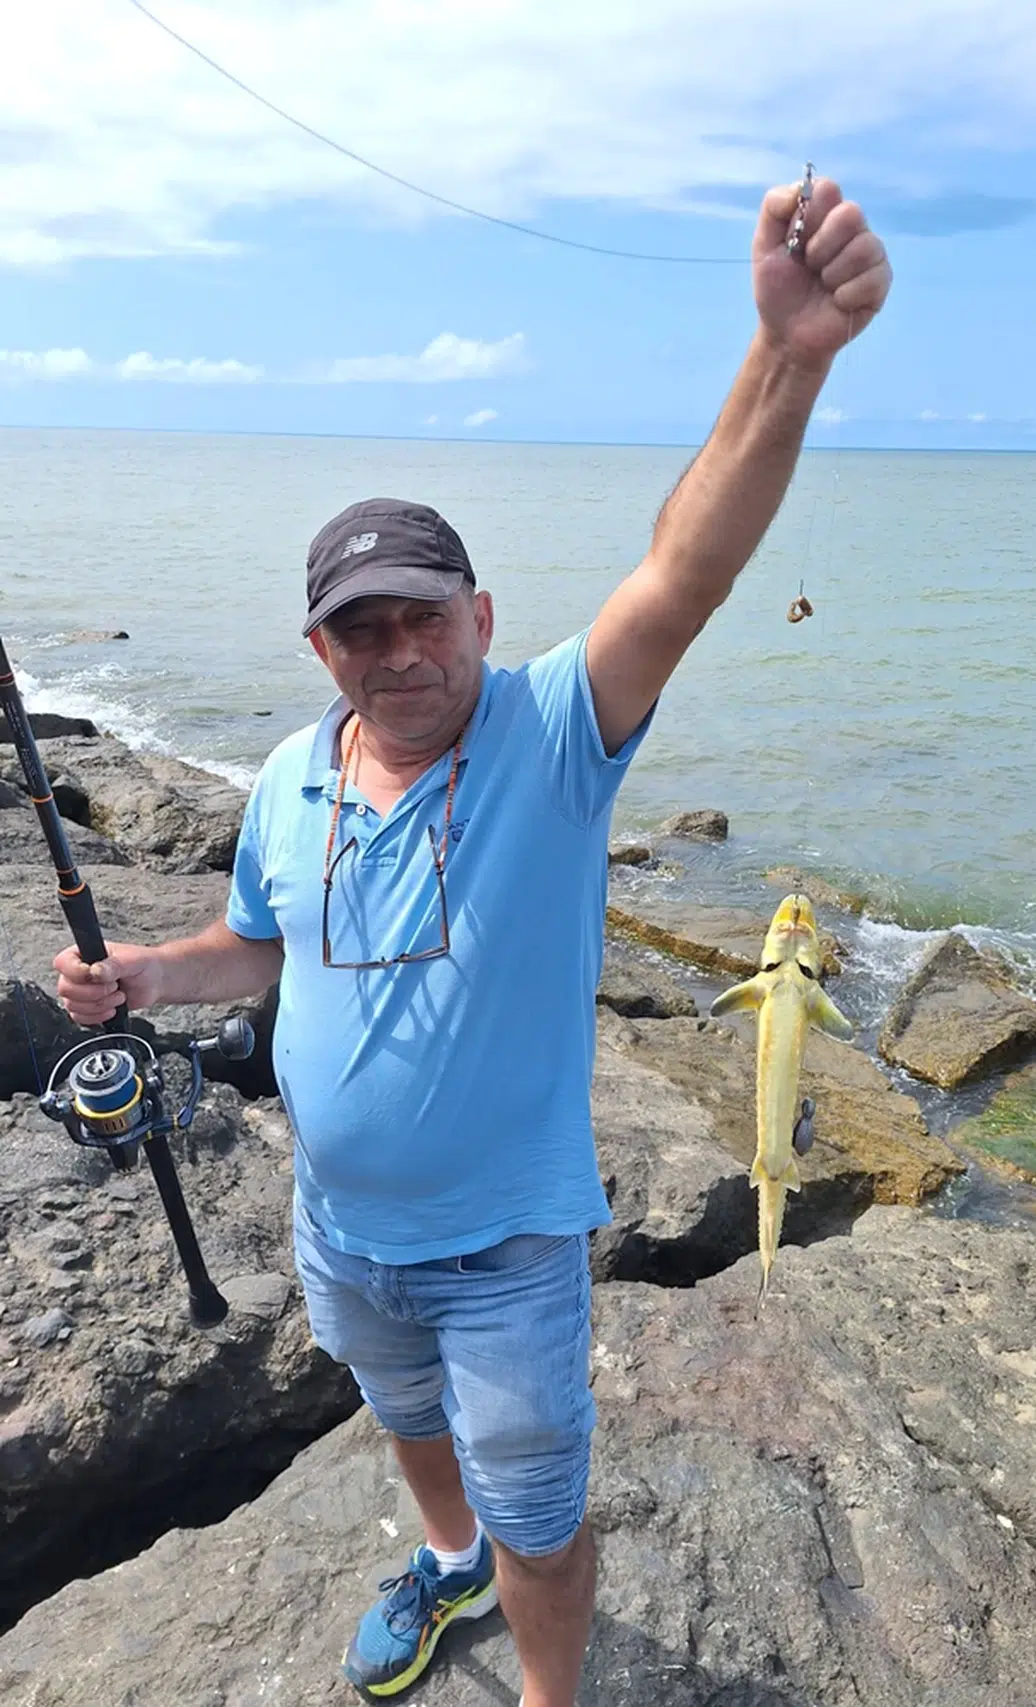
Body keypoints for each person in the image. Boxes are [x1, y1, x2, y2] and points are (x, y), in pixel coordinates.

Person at [55, 175, 890, 1707]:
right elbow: (259, 944)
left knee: (545, 1515)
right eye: (363, 626)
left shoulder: (553, 734)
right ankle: (444, 1565)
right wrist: (147, 981)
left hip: (506, 1249)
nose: (400, 648)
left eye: (424, 614)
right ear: (322, 649)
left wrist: (789, 359)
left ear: (484, 615)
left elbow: (683, 570)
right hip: (342, 1226)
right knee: (401, 1410)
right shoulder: (292, 778)